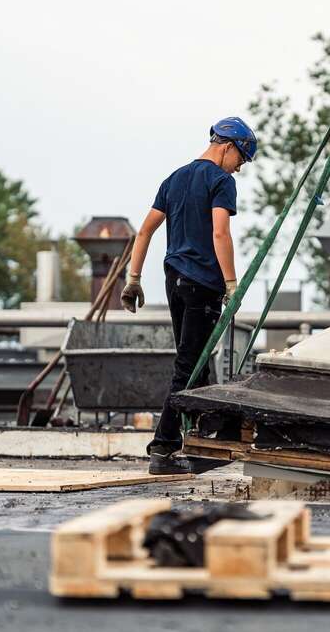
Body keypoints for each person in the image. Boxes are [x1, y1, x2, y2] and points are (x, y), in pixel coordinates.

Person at [120, 116, 257, 475]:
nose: (239, 169)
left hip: (174, 280)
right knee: (188, 365)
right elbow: (220, 234)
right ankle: (162, 449)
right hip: (203, 285)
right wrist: (231, 284)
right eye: (241, 160)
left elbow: (145, 230)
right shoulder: (220, 181)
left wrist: (133, 278)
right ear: (228, 147)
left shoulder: (175, 178)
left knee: (196, 361)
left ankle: (209, 438)